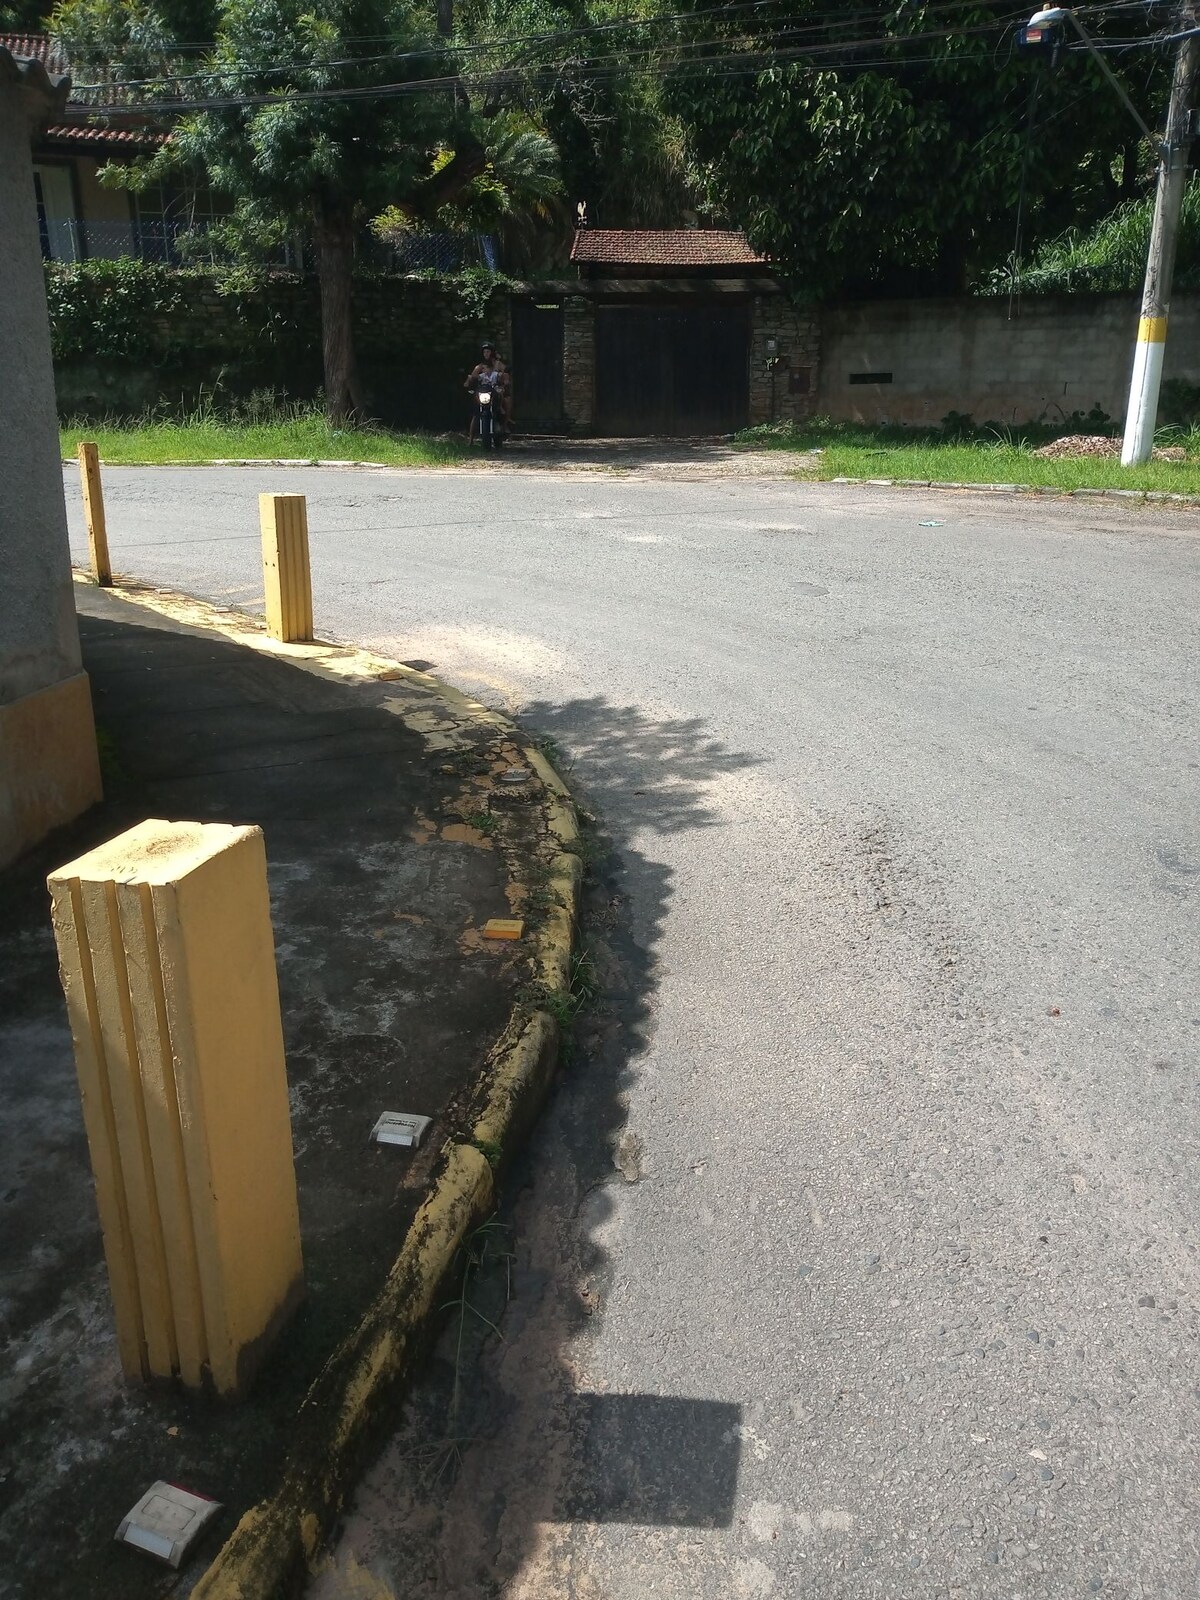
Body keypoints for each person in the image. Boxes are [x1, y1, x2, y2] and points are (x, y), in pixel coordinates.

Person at [464, 342, 500, 443]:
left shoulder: (497, 364)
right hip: (482, 393)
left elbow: (504, 374)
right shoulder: (479, 366)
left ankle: (501, 427)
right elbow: (472, 377)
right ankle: (470, 440)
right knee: (476, 414)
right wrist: (469, 382)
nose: (486, 354)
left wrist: (503, 380)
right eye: (484, 352)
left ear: (492, 353)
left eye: (488, 352)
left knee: (499, 407)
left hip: (494, 393)